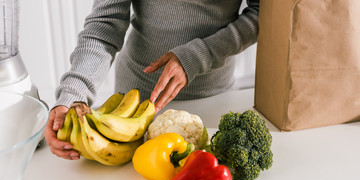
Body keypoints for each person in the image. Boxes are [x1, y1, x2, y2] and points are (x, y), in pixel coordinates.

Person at [45, 0, 260, 160]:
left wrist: (198, 55)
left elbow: (261, 14)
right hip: (137, 102)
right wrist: (73, 93)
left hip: (215, 99)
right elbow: (105, 23)